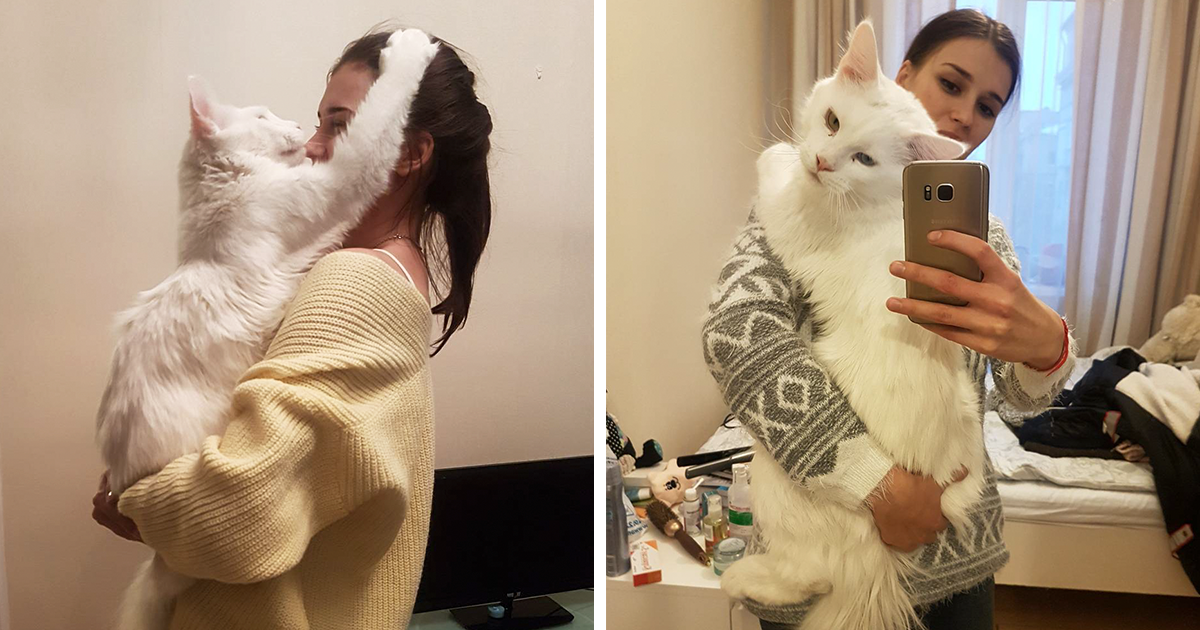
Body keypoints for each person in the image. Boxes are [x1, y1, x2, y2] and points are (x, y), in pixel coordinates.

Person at [90, 26, 493, 629]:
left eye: (339, 125)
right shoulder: (382, 279)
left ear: (408, 152)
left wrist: (136, 499)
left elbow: (237, 519)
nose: (311, 145)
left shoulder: (355, 283)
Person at [701, 9, 1075, 630]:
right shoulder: (806, 192)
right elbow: (735, 333)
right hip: (821, 557)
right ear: (901, 75)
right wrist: (876, 484)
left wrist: (1047, 347)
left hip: (958, 561)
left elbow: (1018, 400)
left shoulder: (981, 234)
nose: (965, 114)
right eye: (951, 84)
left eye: (987, 106)